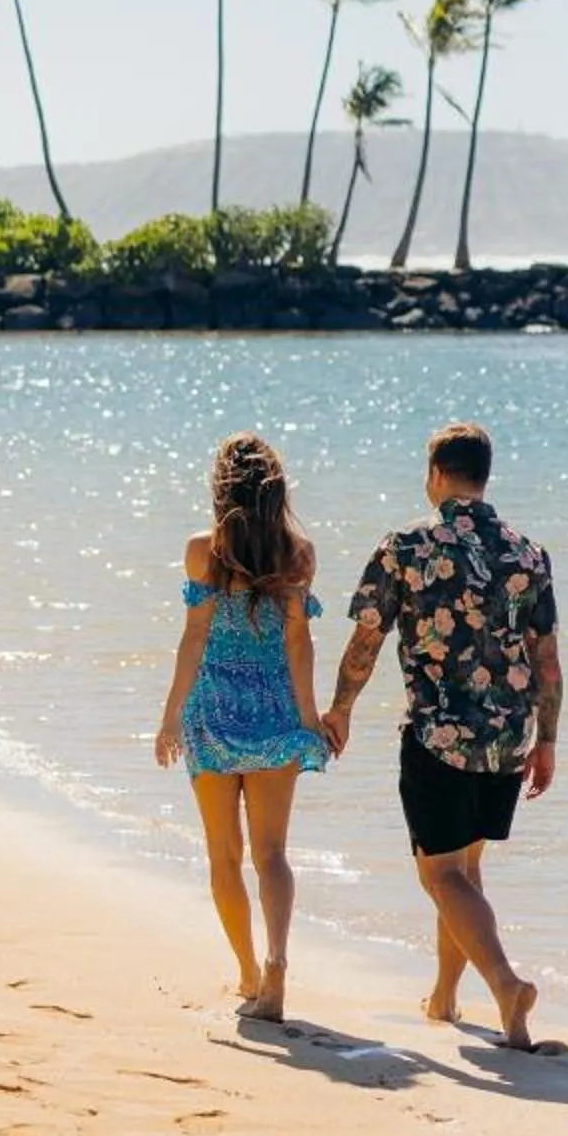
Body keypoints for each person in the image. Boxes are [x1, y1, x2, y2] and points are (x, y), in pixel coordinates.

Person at [321, 420, 562, 1050]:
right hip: (508, 738)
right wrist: (548, 740)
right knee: (465, 868)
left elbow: (366, 642)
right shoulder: (527, 552)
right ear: (484, 477)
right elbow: (548, 662)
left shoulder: (406, 547)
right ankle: (445, 998)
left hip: (439, 737)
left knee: (442, 877)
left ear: (434, 475)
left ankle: (507, 986)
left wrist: (340, 708)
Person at [154, 431, 329, 1023]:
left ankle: (248, 973)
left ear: (220, 488)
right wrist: (309, 722)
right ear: (278, 492)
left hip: (213, 713)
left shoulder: (203, 550)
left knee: (224, 856)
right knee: (273, 853)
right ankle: (278, 961)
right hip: (276, 712)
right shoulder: (299, 553)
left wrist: (170, 716)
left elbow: (194, 637)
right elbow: (299, 644)